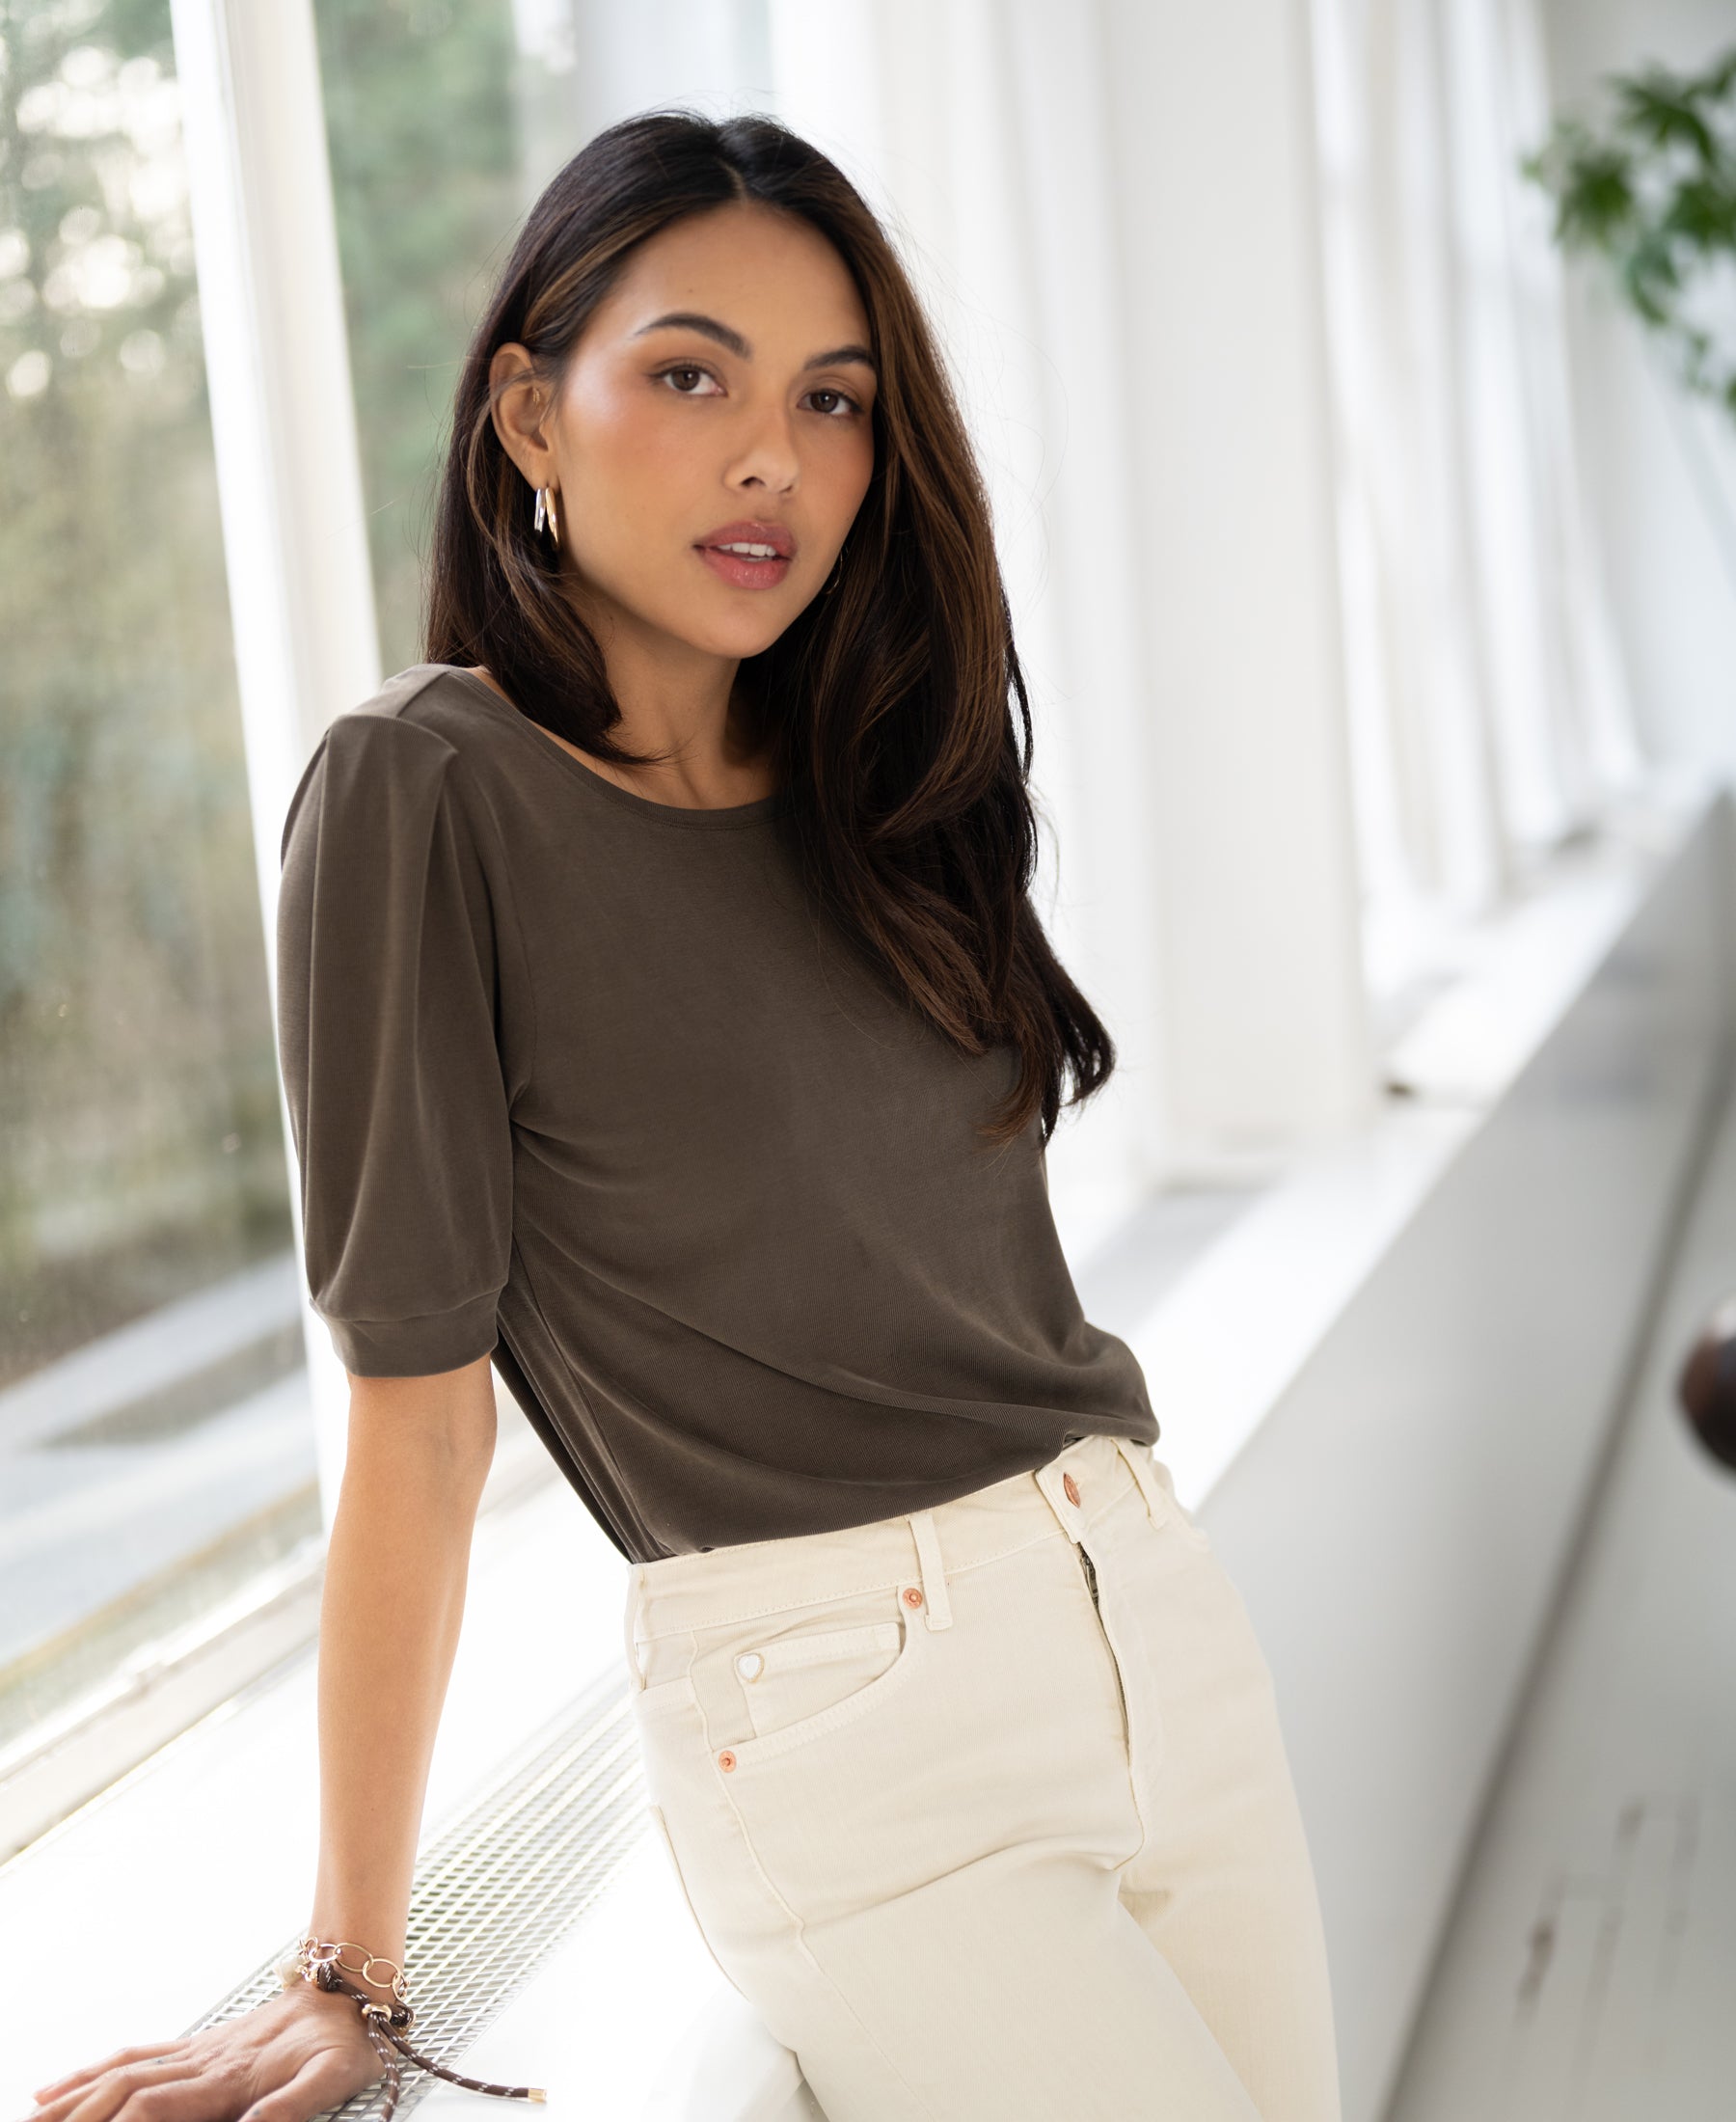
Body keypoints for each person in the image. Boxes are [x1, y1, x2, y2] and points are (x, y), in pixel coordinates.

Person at [29, 113, 1341, 2122]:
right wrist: (346, 1967)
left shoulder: (883, 780)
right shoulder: (421, 789)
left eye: (834, 400)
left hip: (1150, 1611)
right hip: (848, 1722)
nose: (772, 458)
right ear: (528, 417)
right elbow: (420, 1409)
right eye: (690, 374)